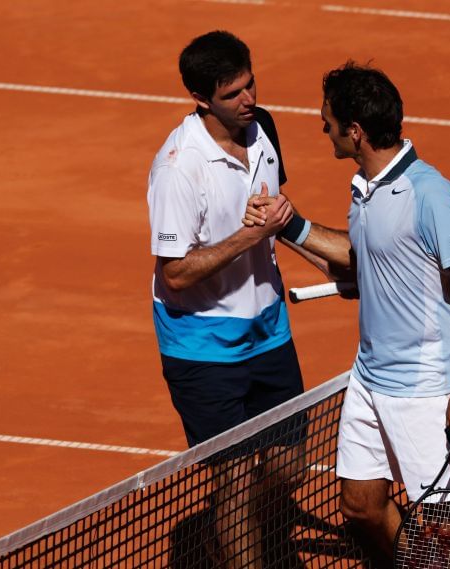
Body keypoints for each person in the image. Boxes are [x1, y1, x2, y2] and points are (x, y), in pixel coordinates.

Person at [245, 62, 450, 560]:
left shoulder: (427, 192)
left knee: (448, 532)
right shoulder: (364, 188)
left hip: (423, 387)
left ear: (354, 132)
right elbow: (361, 261)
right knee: (359, 506)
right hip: (370, 378)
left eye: (328, 122)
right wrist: (286, 225)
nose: (323, 128)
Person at [146, 30, 306, 568]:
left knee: (290, 466)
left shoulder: (264, 130)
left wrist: (330, 259)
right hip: (203, 346)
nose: (249, 99)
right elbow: (175, 275)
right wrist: (247, 237)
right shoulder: (178, 168)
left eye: (250, 83)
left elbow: (275, 216)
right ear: (200, 99)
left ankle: (228, 531)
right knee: (235, 480)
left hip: (268, 328)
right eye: (233, 93)